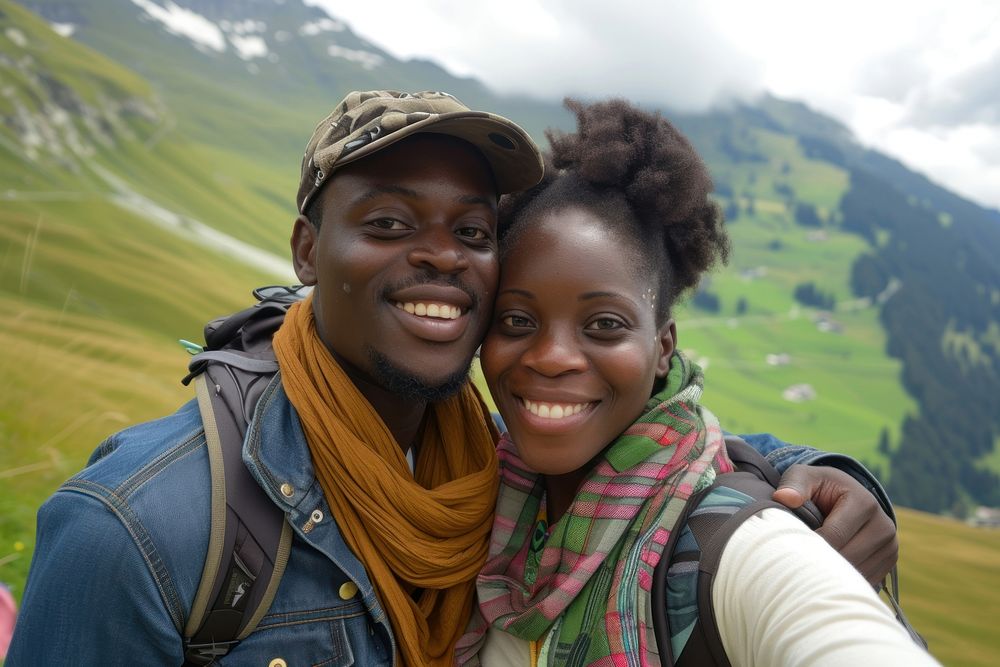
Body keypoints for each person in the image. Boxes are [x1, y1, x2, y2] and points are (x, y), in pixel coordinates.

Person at [9, 91, 896, 666]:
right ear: (308, 250)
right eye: (391, 221)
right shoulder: (137, 529)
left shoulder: (489, 467)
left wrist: (818, 468)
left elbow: (655, 450)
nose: (440, 255)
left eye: (473, 233)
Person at [457, 98, 935, 666]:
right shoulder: (471, 478)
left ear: (662, 347)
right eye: (518, 320)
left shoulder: (734, 547)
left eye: (604, 325)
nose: (553, 357)